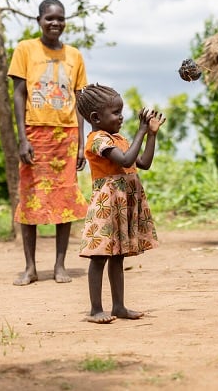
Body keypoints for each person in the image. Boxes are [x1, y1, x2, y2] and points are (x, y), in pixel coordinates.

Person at [8, 0, 89, 286]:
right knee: (30, 199)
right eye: (50, 18)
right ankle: (30, 268)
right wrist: (22, 138)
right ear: (39, 21)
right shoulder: (25, 49)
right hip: (35, 134)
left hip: (66, 136)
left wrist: (81, 144)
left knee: (64, 199)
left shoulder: (74, 55)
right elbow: (19, 94)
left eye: (60, 18)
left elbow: (80, 101)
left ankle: (59, 265)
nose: (55, 23)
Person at [75, 83, 164, 323]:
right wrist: (141, 131)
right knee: (99, 257)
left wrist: (151, 134)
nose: (121, 117)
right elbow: (125, 160)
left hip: (122, 204)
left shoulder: (118, 138)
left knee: (118, 255)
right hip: (107, 204)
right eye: (115, 113)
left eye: (120, 111)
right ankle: (95, 310)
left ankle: (119, 306)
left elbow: (143, 163)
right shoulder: (97, 140)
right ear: (96, 118)